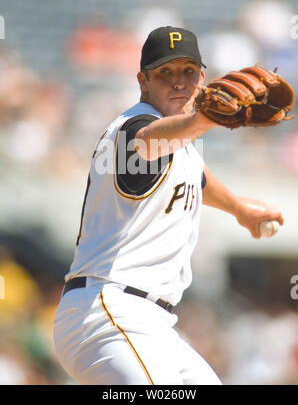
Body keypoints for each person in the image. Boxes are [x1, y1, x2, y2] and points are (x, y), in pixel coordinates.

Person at [53, 26, 284, 385]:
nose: (179, 82)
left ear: (202, 77)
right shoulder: (132, 127)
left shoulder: (181, 145)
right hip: (107, 311)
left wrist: (240, 209)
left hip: (152, 324)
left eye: (188, 71)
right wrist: (202, 119)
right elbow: (148, 143)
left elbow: (196, 176)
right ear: (143, 81)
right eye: (165, 73)